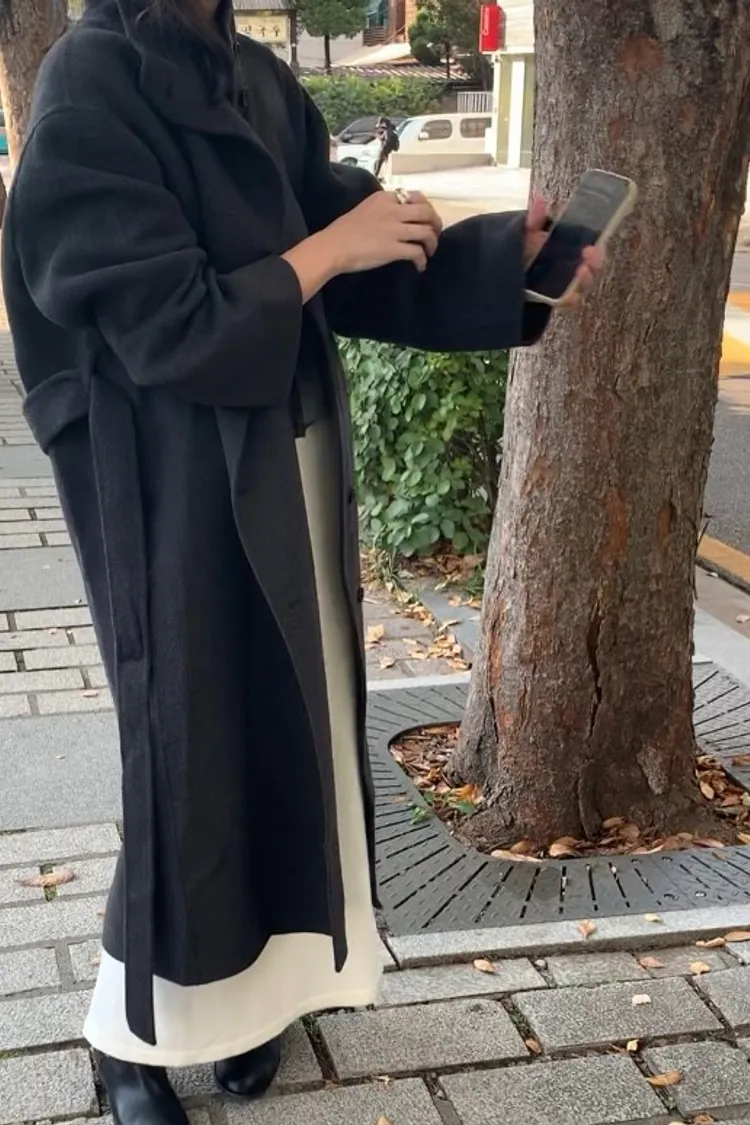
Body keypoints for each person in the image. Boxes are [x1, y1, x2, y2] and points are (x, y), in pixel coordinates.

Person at [1, 1, 602, 1122]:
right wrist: (331, 249)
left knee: (282, 738)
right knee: (185, 751)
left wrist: (505, 261)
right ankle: (127, 1037)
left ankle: (249, 1003)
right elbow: (162, 324)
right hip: (167, 485)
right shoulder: (91, 80)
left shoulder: (256, 77)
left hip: (286, 465)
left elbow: (363, 259)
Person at [373, 114, 399, 181]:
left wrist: (379, 137)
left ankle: (376, 176)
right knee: (380, 162)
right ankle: (378, 176)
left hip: (385, 148)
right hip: (387, 148)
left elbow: (386, 139)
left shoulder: (387, 131)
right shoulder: (388, 129)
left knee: (379, 162)